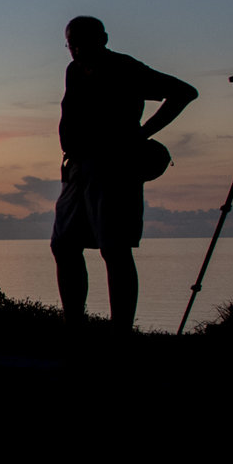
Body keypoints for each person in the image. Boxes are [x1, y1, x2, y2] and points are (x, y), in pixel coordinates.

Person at [51, 16, 196, 328]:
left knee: (114, 249)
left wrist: (142, 134)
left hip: (114, 169)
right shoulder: (74, 71)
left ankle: (121, 334)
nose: (76, 50)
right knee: (64, 244)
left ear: (103, 38)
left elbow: (184, 92)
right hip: (77, 168)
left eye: (82, 42)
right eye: (71, 44)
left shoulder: (125, 68)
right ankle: (74, 326)